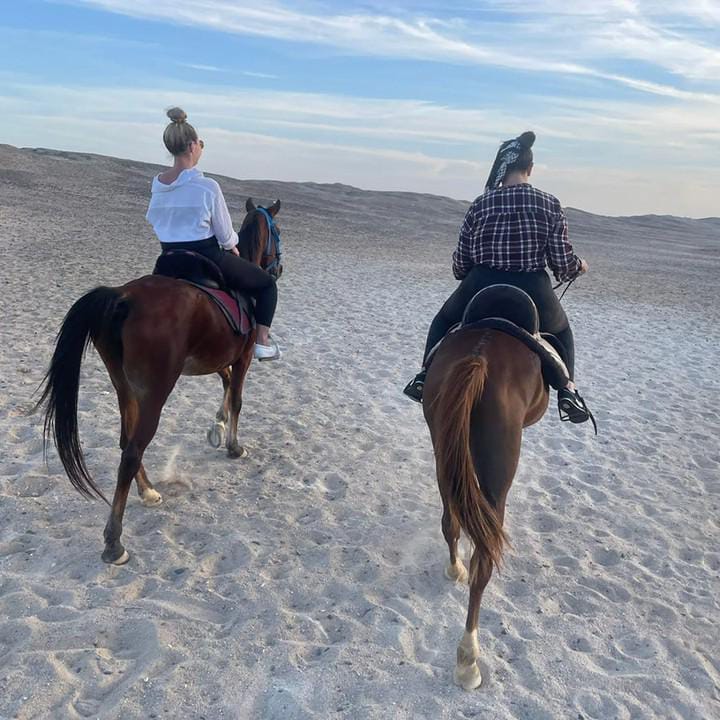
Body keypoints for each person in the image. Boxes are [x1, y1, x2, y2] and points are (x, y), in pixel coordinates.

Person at [403, 131, 593, 425]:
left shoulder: (481, 204)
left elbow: (461, 263)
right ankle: (568, 393)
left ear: (502, 169)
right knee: (563, 332)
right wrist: (578, 266)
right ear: (529, 168)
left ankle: (423, 377)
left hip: (481, 284)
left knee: (442, 321)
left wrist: (473, 271)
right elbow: (561, 262)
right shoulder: (550, 203)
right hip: (532, 288)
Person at [146, 107, 280, 360]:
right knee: (266, 285)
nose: (200, 149)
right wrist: (232, 246)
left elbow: (154, 219)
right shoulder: (207, 186)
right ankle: (261, 342)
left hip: (167, 260)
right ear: (192, 146)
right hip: (205, 257)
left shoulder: (158, 186)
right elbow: (226, 234)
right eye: (200, 144)